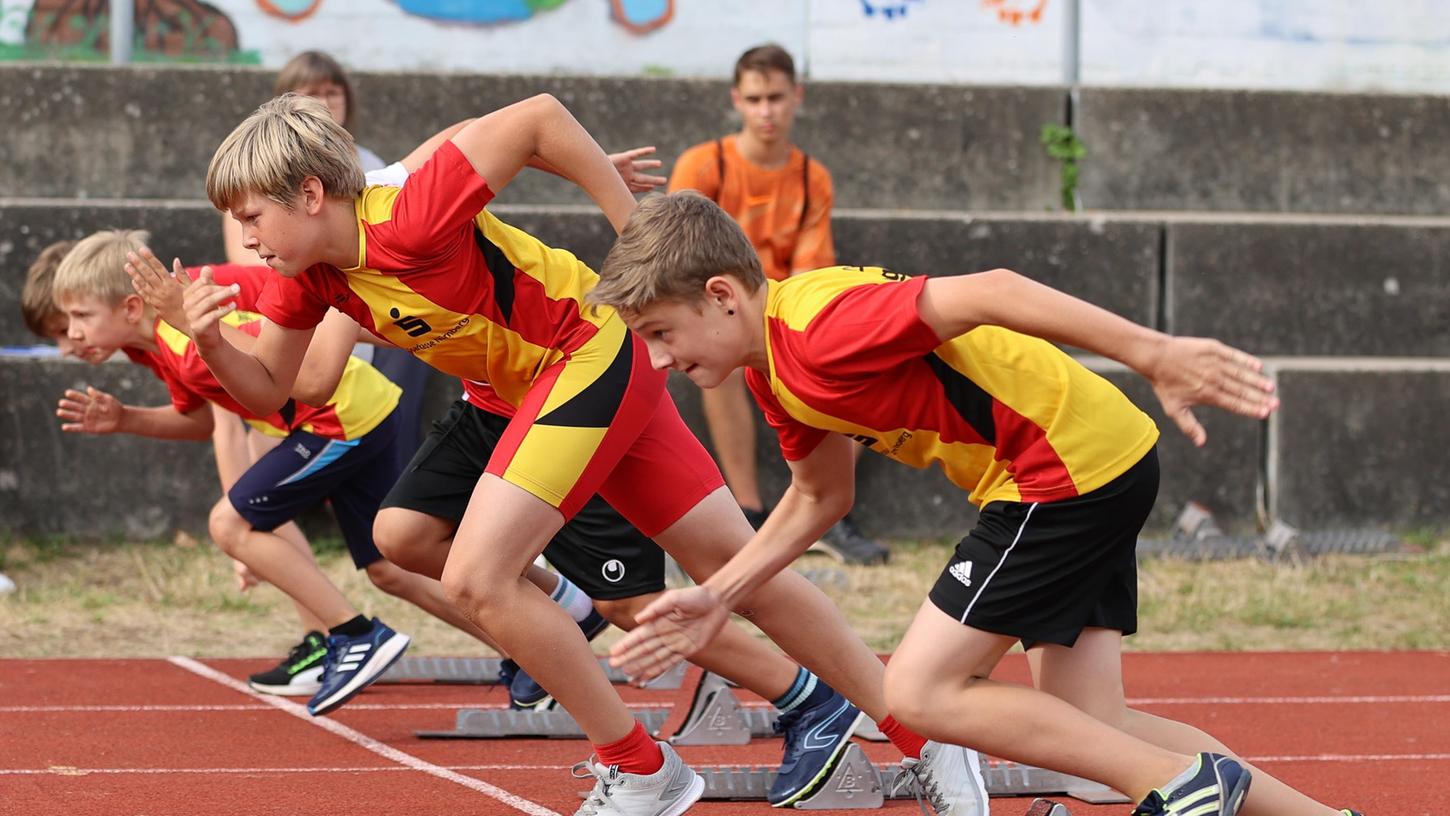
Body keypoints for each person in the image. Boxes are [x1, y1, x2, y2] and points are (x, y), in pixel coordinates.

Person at [172, 92, 990, 814]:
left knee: (477, 577)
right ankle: (909, 729)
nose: (243, 239)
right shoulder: (309, 276)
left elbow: (537, 117)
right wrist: (208, 335)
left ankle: (644, 767)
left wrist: (636, 237)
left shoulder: (409, 214)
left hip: (586, 352)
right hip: (518, 395)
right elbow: (272, 391)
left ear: (310, 194)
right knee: (724, 564)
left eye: (250, 218)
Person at [592, 190, 1365, 816]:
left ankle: (1180, 787)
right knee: (1094, 732)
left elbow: (994, 291)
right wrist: (716, 597)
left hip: (1060, 468)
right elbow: (820, 497)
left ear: (721, 295)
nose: (659, 358)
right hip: (1096, 457)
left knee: (920, 691)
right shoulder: (774, 373)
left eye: (662, 331)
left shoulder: (820, 328)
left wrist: (1152, 352)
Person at [50, 228, 457, 717]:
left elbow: (275, 368)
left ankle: (355, 635)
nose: (71, 333)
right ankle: (522, 651)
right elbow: (198, 419)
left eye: (81, 316)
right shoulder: (155, 346)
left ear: (131, 309)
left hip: (338, 418)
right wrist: (126, 419)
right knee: (390, 569)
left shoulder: (184, 340)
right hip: (359, 409)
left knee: (231, 523)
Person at [668, 43, 889, 566]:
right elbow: (675, 259)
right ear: (736, 101)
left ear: (797, 98)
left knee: (875, 361)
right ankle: (747, 512)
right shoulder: (705, 165)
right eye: (755, 98)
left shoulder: (813, 177)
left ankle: (820, 510)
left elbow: (815, 274)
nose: (765, 110)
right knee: (714, 362)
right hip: (712, 309)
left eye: (775, 97)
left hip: (783, 311)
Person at [223, 50, 433, 474]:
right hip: (301, 311)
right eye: (309, 93)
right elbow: (245, 263)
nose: (321, 103)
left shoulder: (371, 171)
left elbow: (512, 128)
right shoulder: (249, 179)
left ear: (314, 194)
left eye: (331, 93)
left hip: (350, 308)